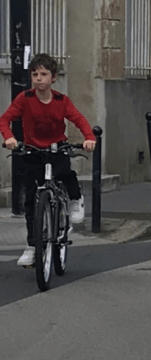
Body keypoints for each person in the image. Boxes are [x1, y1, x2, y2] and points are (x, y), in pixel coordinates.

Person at [0, 53, 96, 266]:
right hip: (32, 150)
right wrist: (9, 138)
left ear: (53, 77)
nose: (39, 78)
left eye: (44, 74)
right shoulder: (24, 99)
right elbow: (5, 119)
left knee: (65, 172)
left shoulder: (62, 101)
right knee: (31, 201)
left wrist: (89, 138)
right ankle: (33, 246)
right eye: (35, 74)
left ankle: (75, 199)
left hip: (56, 147)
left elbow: (78, 119)